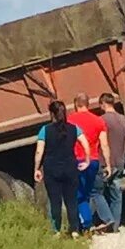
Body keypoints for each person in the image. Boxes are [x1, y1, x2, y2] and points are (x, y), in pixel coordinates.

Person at [34, 100, 91, 236]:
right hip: (71, 167)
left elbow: (39, 151)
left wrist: (36, 168)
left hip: (51, 169)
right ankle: (75, 230)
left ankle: (56, 230)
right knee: (71, 200)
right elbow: (85, 143)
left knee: (55, 201)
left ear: (51, 114)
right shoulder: (74, 128)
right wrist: (87, 160)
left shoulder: (45, 130)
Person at [68, 93, 115, 232]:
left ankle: (84, 225)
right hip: (94, 161)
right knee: (96, 192)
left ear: (76, 104)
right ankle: (108, 218)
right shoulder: (98, 121)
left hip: (77, 161)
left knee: (80, 194)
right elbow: (104, 144)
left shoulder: (70, 121)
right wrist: (108, 164)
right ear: (88, 104)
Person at [99, 93, 125, 230]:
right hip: (120, 160)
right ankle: (115, 225)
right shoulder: (123, 120)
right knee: (117, 194)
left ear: (103, 104)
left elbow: (100, 141)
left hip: (105, 162)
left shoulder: (101, 120)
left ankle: (105, 220)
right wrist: (121, 152)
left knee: (98, 193)